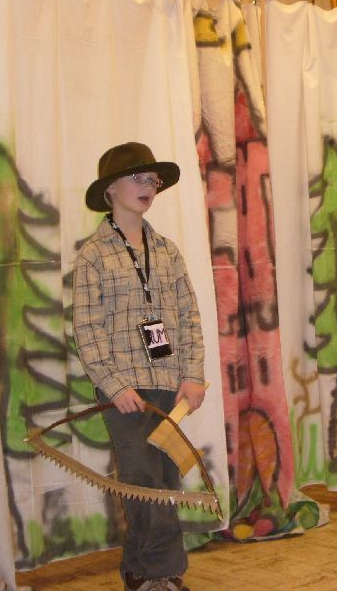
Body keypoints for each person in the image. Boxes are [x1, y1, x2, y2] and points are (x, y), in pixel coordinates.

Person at [73, 141, 206, 591]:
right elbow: (87, 328)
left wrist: (192, 374)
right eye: (137, 177)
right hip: (126, 391)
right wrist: (112, 385)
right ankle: (162, 573)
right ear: (110, 188)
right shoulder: (94, 254)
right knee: (143, 480)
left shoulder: (166, 251)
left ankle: (141, 569)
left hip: (167, 383)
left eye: (153, 179)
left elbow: (188, 315)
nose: (148, 185)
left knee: (165, 477)